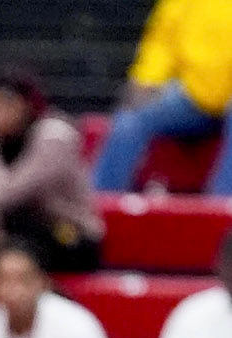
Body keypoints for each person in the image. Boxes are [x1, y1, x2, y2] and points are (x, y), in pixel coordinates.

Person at [0, 70, 104, 274]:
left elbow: (3, 196)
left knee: (10, 246)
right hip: (16, 230)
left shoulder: (54, 135)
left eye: (4, 102)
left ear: (25, 104)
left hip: (69, 234)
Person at [92, 0, 232, 198]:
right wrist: (146, 79)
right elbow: (161, 41)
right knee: (131, 117)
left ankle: (222, 208)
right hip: (194, 92)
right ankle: (100, 202)